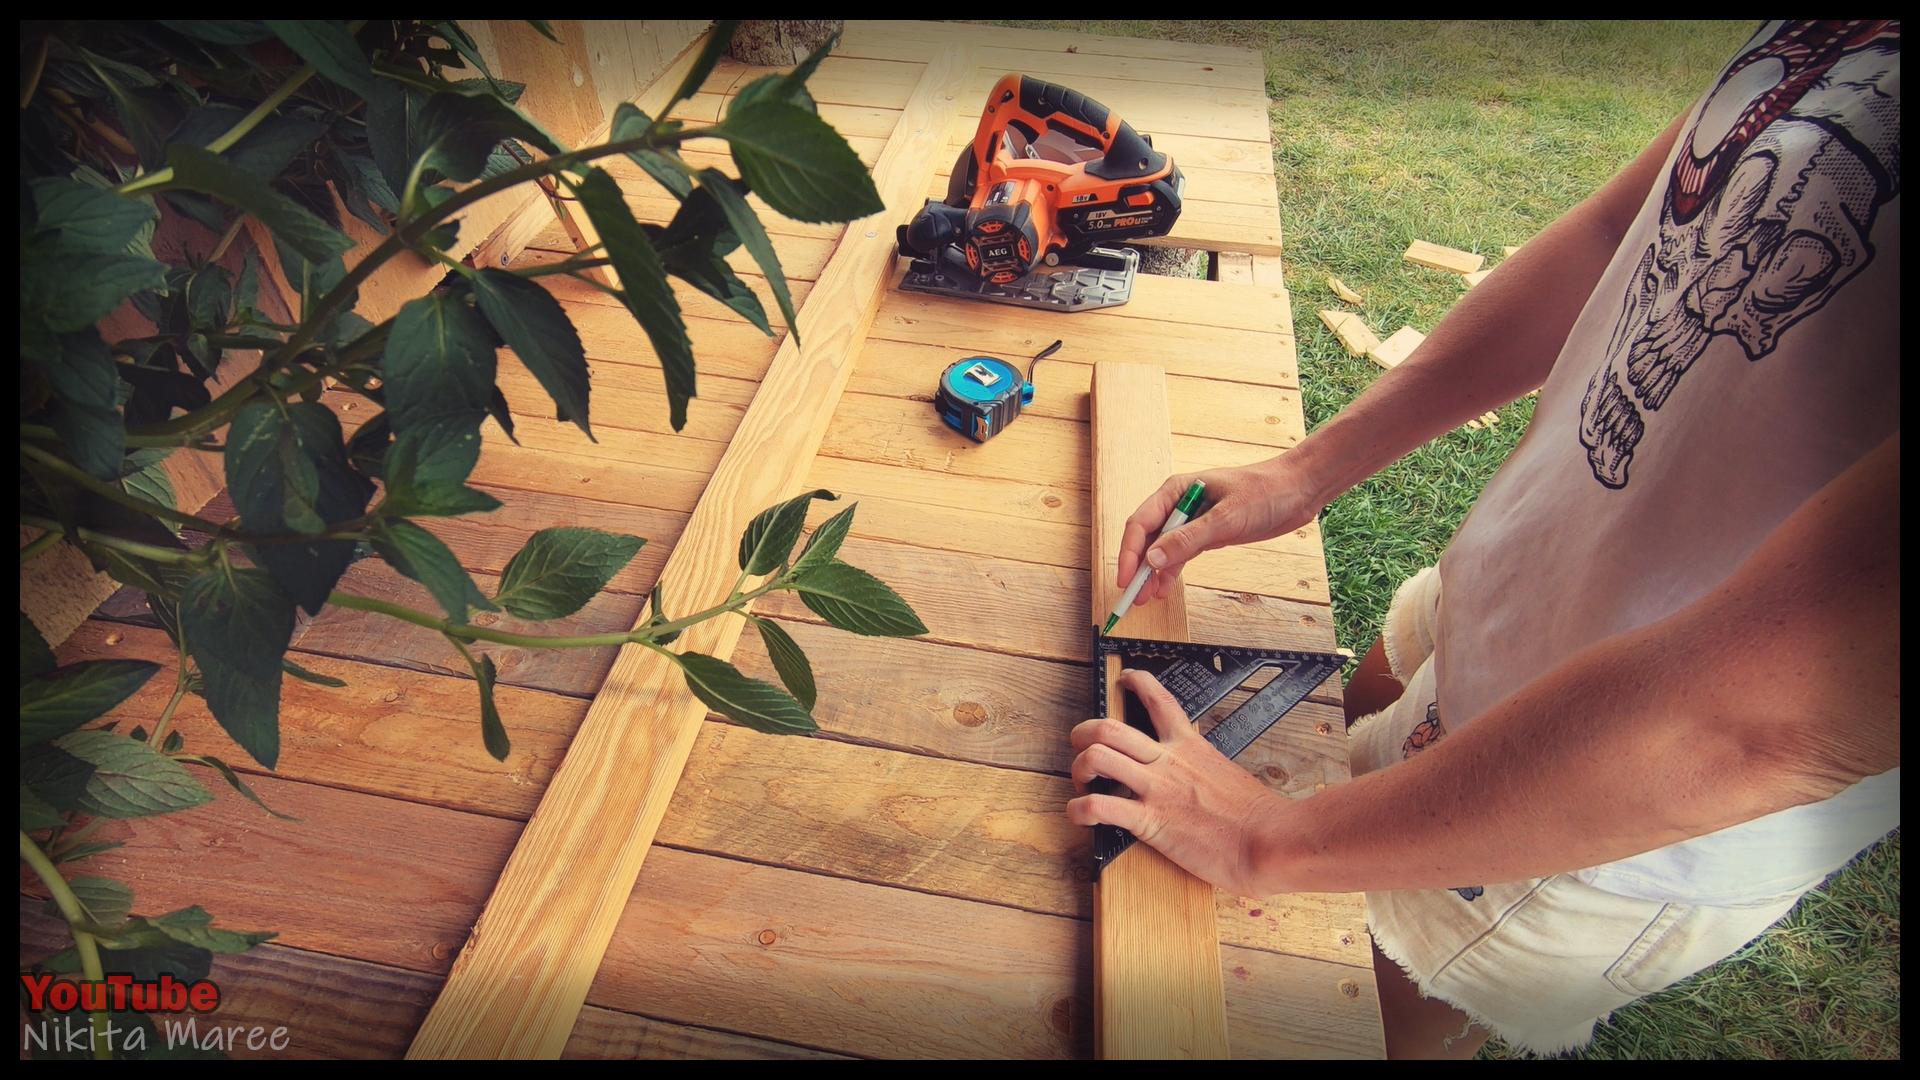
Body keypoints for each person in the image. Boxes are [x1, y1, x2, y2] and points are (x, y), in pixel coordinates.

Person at [1066, 19, 1900, 1059]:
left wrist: (1261, 836)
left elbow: (1759, 727)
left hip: (1607, 795)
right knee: (1328, 767)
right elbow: (1618, 237)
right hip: (1508, 585)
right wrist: (1303, 473)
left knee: (1292, 1015)